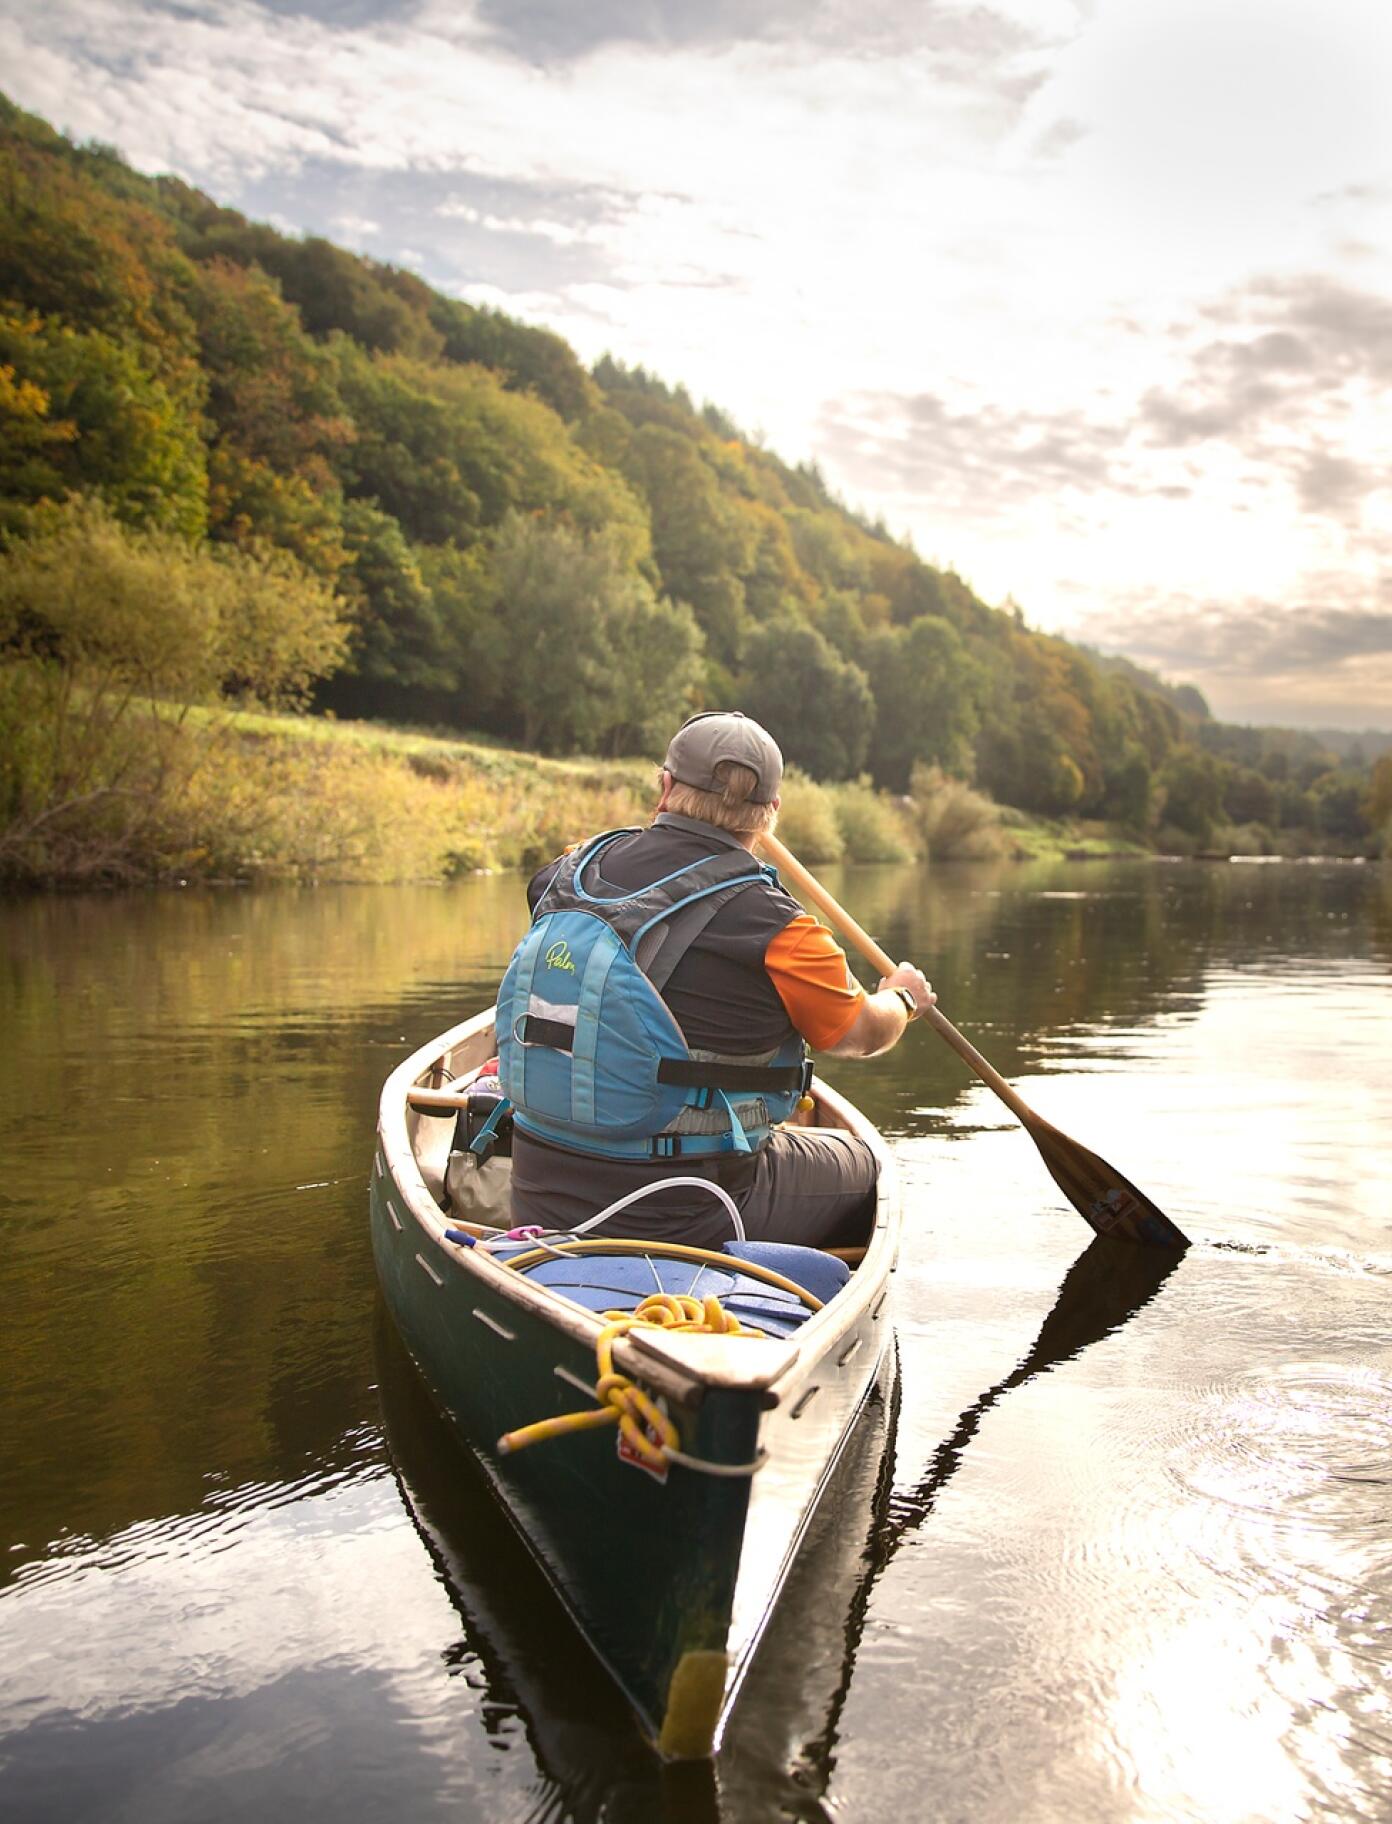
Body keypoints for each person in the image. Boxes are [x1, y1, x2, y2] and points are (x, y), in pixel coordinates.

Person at [494, 711, 935, 1249]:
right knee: (870, 1168)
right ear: (770, 813)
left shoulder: (567, 874)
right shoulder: (785, 930)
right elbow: (861, 1033)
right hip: (688, 1209)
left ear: (665, 787)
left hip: (538, 1189)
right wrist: (903, 998)